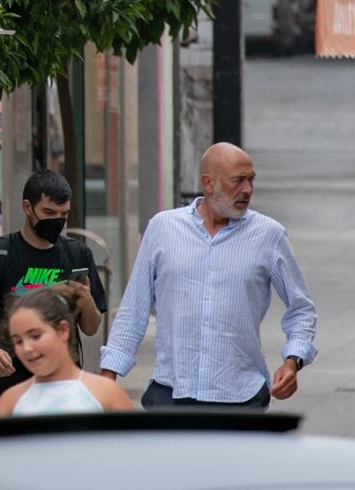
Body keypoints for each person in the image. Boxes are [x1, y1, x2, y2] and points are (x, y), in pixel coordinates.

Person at [100, 142, 318, 409]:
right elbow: (134, 309)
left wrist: (293, 360)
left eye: (251, 180)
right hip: (171, 393)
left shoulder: (269, 235)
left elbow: (301, 309)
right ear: (208, 183)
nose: (247, 190)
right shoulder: (163, 228)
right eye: (238, 181)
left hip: (241, 397)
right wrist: (108, 378)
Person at [0, 168, 107, 417]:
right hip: (7, 376)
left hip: (62, 382)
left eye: (64, 214)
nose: (57, 221)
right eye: (49, 213)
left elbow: (91, 327)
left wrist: (85, 299)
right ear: (27, 207)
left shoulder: (77, 254)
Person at [0, 288, 137, 417]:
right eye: (18, 341)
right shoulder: (10, 401)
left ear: (63, 330)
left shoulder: (106, 393)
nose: (27, 348)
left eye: (35, 336)